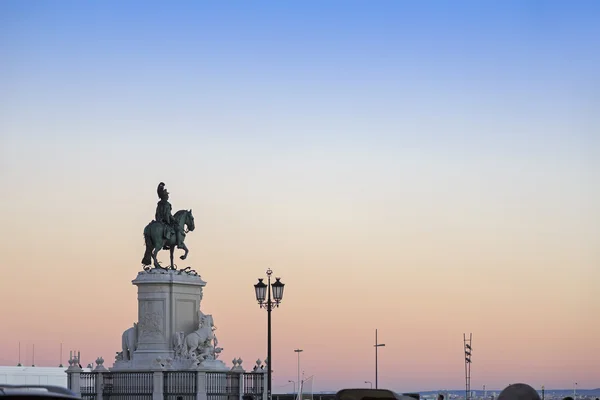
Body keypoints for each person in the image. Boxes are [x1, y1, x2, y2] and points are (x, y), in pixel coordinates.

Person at [155, 182, 184, 248]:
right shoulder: (167, 204)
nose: (168, 196)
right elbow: (168, 214)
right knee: (176, 228)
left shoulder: (159, 204)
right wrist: (174, 220)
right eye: (167, 195)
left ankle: (164, 244)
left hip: (158, 219)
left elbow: (157, 213)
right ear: (165, 196)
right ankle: (178, 243)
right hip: (165, 220)